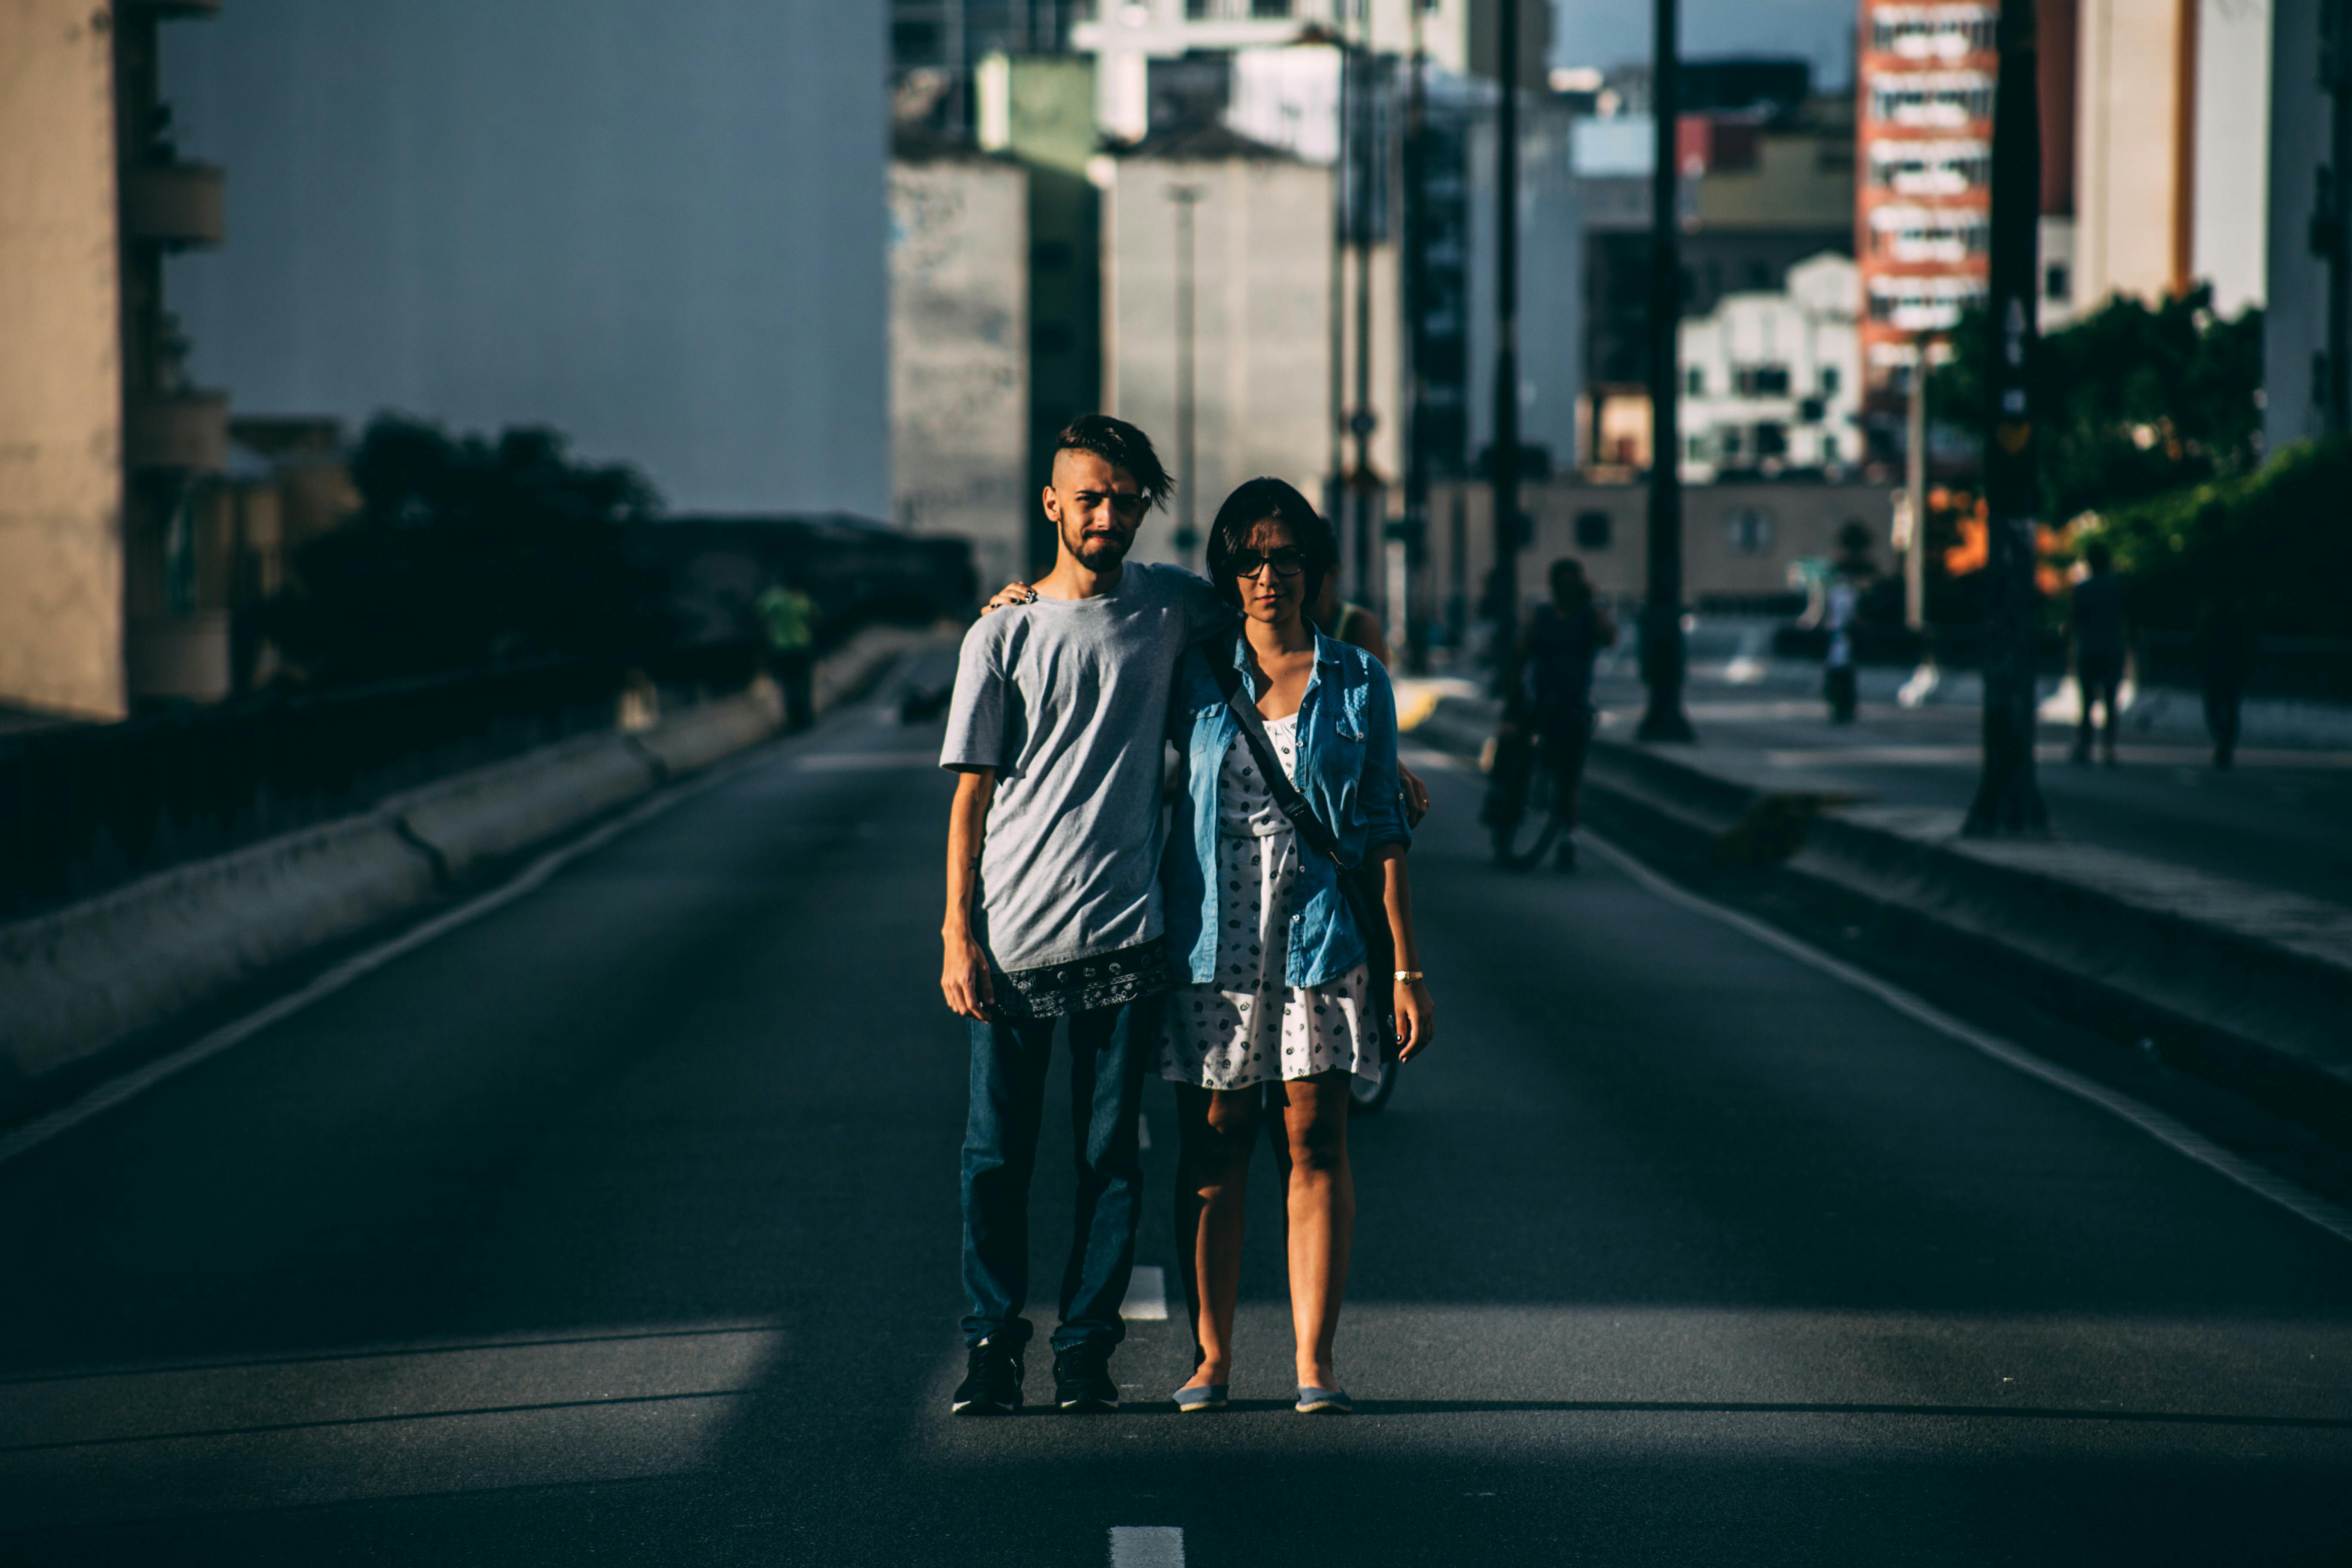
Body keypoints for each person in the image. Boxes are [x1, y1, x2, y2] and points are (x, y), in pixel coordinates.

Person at [937, 415, 1228, 1416]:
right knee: (993, 1159)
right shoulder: (1002, 631)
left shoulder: (1173, 605)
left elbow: (1290, 625)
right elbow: (969, 797)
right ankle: (989, 1346)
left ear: (1145, 504)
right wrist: (955, 934)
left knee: (1109, 1159)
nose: (1107, 514)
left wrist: (1377, 740)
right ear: (1052, 504)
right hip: (1012, 935)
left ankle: (1082, 1353)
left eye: (1124, 497)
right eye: (1088, 496)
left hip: (1126, 931)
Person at [1160, 478, 1433, 1418]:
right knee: (1217, 1145)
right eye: (1249, 558)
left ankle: (1315, 1363)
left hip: (1319, 934)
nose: (1268, 574)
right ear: (1228, 572)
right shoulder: (1196, 675)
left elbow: (1384, 836)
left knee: (1315, 1141)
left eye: (1285, 557)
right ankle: (1211, 1359)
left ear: (1314, 569)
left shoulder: (1359, 680)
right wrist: (1019, 598)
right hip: (1215, 937)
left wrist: (1406, 968)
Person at [1519, 558, 1616, 870]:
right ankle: (1514, 805)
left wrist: (1594, 603)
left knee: (1570, 776)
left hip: (1575, 705)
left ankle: (1568, 834)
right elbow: (1520, 654)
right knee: (1524, 756)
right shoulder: (1542, 616)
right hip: (1543, 702)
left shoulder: (1589, 616)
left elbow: (1609, 637)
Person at [2070, 541, 2127, 765]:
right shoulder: (2118, 587)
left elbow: (2074, 622)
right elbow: (2128, 619)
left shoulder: (2083, 589)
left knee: (2087, 702)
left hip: (2089, 650)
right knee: (2111, 701)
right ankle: (2109, 748)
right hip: (2113, 650)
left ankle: (2085, 747)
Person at [754, 577, 818, 732]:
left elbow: (759, 610)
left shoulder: (775, 599)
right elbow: (815, 617)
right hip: (802, 646)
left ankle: (794, 719)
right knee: (804, 682)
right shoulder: (801, 599)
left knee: (789, 685)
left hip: (781, 648)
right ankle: (807, 716)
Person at [2200, 591, 2252, 769]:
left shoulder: (2237, 623)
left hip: (2230, 671)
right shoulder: (2211, 621)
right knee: (2215, 710)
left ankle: (2225, 747)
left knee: (2230, 710)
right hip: (2215, 671)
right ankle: (2223, 743)